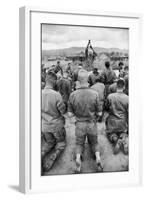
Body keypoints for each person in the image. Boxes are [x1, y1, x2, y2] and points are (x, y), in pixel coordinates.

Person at [68, 69, 103, 173]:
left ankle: (78, 159)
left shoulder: (72, 95)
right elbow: (100, 113)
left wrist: (76, 121)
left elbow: (70, 114)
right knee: (94, 142)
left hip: (79, 124)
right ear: (87, 79)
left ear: (78, 80)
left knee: (79, 144)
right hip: (92, 123)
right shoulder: (95, 93)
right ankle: (97, 157)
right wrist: (94, 119)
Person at [41, 71, 67, 173]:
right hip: (56, 126)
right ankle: (54, 156)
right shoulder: (56, 95)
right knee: (61, 143)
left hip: (44, 127)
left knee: (49, 143)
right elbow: (63, 111)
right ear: (54, 81)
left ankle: (41, 154)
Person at [105, 79, 129, 155]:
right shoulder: (127, 98)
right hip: (122, 122)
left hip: (112, 121)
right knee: (123, 132)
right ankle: (123, 139)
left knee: (110, 134)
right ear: (124, 87)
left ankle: (115, 140)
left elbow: (106, 107)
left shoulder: (110, 96)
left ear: (116, 86)